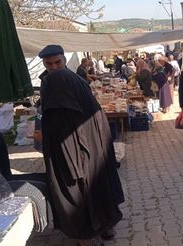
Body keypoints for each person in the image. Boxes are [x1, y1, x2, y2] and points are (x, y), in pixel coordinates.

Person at [37, 45, 124, 245]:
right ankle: (102, 227)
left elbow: (65, 121)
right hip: (88, 142)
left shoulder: (63, 81)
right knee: (97, 184)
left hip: (80, 145)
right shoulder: (60, 80)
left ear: (64, 60)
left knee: (87, 187)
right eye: (49, 64)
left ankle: (91, 233)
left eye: (57, 62)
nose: (54, 67)